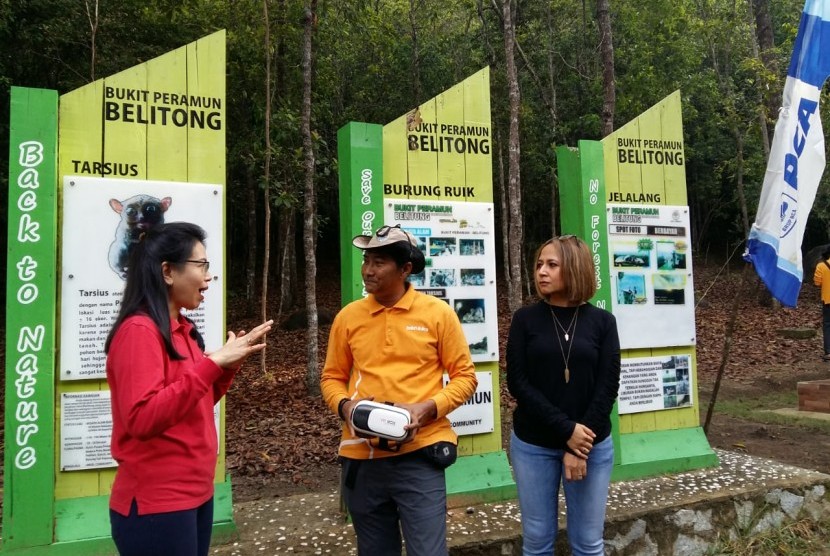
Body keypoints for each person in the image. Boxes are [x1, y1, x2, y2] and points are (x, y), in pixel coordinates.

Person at [104, 222, 273, 556]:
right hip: (157, 502)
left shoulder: (182, 328)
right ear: (168, 271)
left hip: (195, 493)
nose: (209, 277)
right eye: (202, 266)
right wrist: (212, 364)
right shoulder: (139, 331)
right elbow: (142, 418)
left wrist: (227, 364)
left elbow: (196, 400)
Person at [320, 224, 478, 556]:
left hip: (420, 454)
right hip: (361, 458)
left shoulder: (438, 315)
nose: (368, 270)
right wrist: (347, 407)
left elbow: (465, 377)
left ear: (405, 269)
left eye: (379, 262)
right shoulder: (348, 318)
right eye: (366, 261)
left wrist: (428, 408)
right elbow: (331, 378)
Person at [506, 235, 620, 556]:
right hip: (533, 445)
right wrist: (566, 430)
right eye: (540, 264)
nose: (541, 271)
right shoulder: (524, 320)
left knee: (587, 543)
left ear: (574, 268)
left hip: (591, 447)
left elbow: (607, 386)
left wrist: (579, 445)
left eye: (552, 265)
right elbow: (518, 382)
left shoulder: (603, 322)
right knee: (538, 541)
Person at [813, 248, 830, 361]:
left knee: (828, 325)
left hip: (828, 300)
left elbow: (817, 282)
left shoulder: (821, 266)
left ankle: (828, 352)